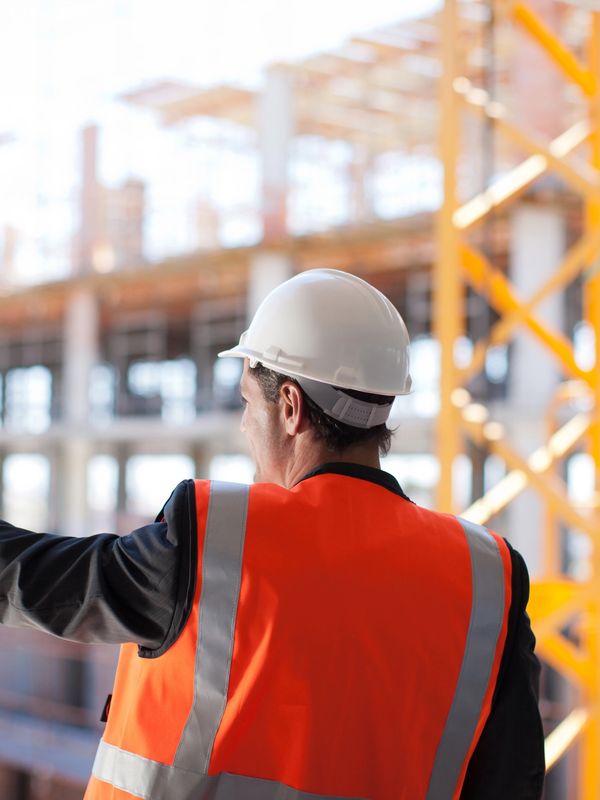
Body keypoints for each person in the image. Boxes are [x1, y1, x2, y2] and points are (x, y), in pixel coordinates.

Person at [0, 269, 544, 800]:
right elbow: (512, 781)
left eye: (246, 402)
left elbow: (35, 579)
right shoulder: (484, 579)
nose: (243, 424)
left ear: (289, 407)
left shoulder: (219, 543)